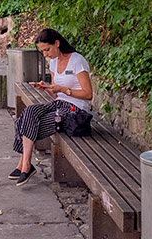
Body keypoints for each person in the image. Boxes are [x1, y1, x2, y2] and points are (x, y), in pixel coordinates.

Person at [10, 28, 92, 187]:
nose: (45, 54)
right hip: (58, 104)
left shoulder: (77, 61)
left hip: (76, 111)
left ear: (57, 43)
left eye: (47, 49)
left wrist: (62, 89)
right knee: (30, 111)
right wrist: (48, 89)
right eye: (42, 51)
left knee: (22, 124)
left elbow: (88, 94)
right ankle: (26, 164)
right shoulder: (53, 63)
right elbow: (56, 95)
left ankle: (24, 165)